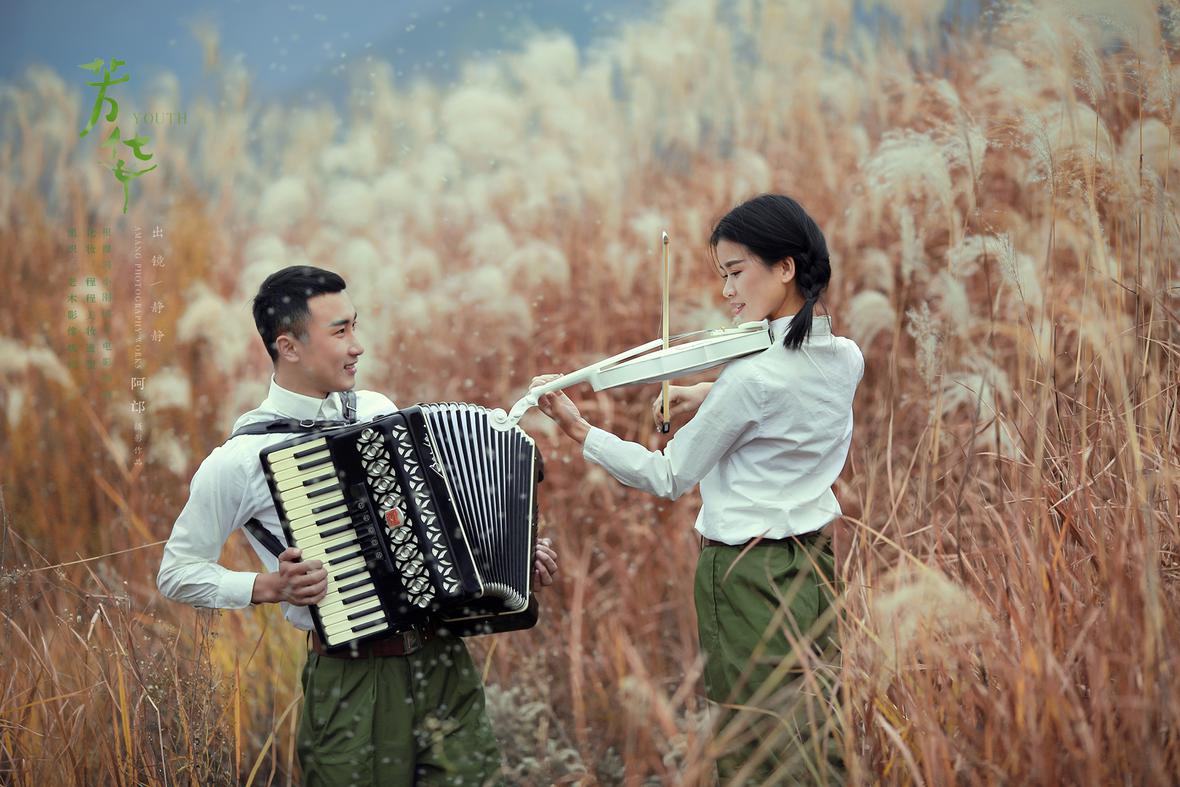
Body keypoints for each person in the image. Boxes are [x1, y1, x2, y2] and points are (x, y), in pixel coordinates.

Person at [157, 265, 559, 787]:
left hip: (441, 660)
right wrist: (269, 586)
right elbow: (177, 571)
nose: (357, 346)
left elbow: (436, 530)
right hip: (351, 680)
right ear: (289, 346)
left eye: (355, 325)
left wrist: (511, 557)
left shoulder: (376, 410)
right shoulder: (239, 460)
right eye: (339, 331)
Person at [532, 194, 861, 784]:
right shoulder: (845, 358)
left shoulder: (750, 379)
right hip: (814, 566)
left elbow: (667, 476)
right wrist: (705, 393)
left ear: (785, 267)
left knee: (753, 746)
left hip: (745, 575)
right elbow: (791, 395)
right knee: (816, 730)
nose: (727, 291)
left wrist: (580, 429)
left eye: (735, 272)